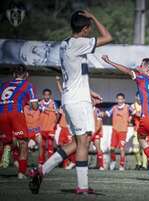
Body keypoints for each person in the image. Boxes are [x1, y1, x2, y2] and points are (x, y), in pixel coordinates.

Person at [29, 10, 112, 195]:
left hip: (72, 96)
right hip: (77, 100)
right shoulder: (80, 43)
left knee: (78, 141)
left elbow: (74, 73)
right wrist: (94, 16)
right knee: (83, 142)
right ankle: (82, 187)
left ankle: (41, 170)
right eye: (89, 28)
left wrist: (89, 92)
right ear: (84, 29)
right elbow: (108, 37)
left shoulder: (65, 43)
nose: (90, 31)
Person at [101, 55, 149, 176]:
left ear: (147, 68)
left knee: (140, 137)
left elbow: (126, 70)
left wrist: (110, 61)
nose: (138, 67)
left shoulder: (142, 77)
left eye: (141, 65)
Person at [0, 65, 39, 179]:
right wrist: (30, 103)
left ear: (13, 75)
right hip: (16, 113)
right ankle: (21, 173)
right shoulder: (28, 85)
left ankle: (8, 146)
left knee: (5, 141)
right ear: (26, 75)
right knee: (23, 143)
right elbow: (35, 106)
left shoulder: (4, 85)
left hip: (1, 113)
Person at [101, 93, 132, 171]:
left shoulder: (128, 107)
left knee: (122, 149)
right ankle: (113, 160)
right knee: (111, 148)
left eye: (121, 99)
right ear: (116, 100)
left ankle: (121, 165)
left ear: (124, 100)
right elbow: (107, 113)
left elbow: (135, 113)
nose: (120, 100)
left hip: (123, 131)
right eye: (118, 99)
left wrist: (131, 117)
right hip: (114, 131)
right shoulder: (114, 108)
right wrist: (102, 113)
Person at [39, 88, 58, 164]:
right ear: (43, 95)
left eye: (48, 95)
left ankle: (50, 162)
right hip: (42, 127)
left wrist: (55, 123)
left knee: (50, 145)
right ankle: (41, 161)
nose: (46, 96)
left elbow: (58, 114)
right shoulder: (39, 103)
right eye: (45, 95)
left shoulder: (53, 103)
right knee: (42, 145)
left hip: (50, 127)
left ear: (50, 95)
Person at [130, 92, 148, 170]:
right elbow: (136, 114)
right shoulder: (132, 106)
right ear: (135, 97)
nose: (140, 98)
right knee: (135, 149)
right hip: (136, 130)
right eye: (139, 96)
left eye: (142, 97)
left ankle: (144, 165)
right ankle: (139, 163)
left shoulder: (147, 106)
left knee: (144, 149)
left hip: (146, 130)